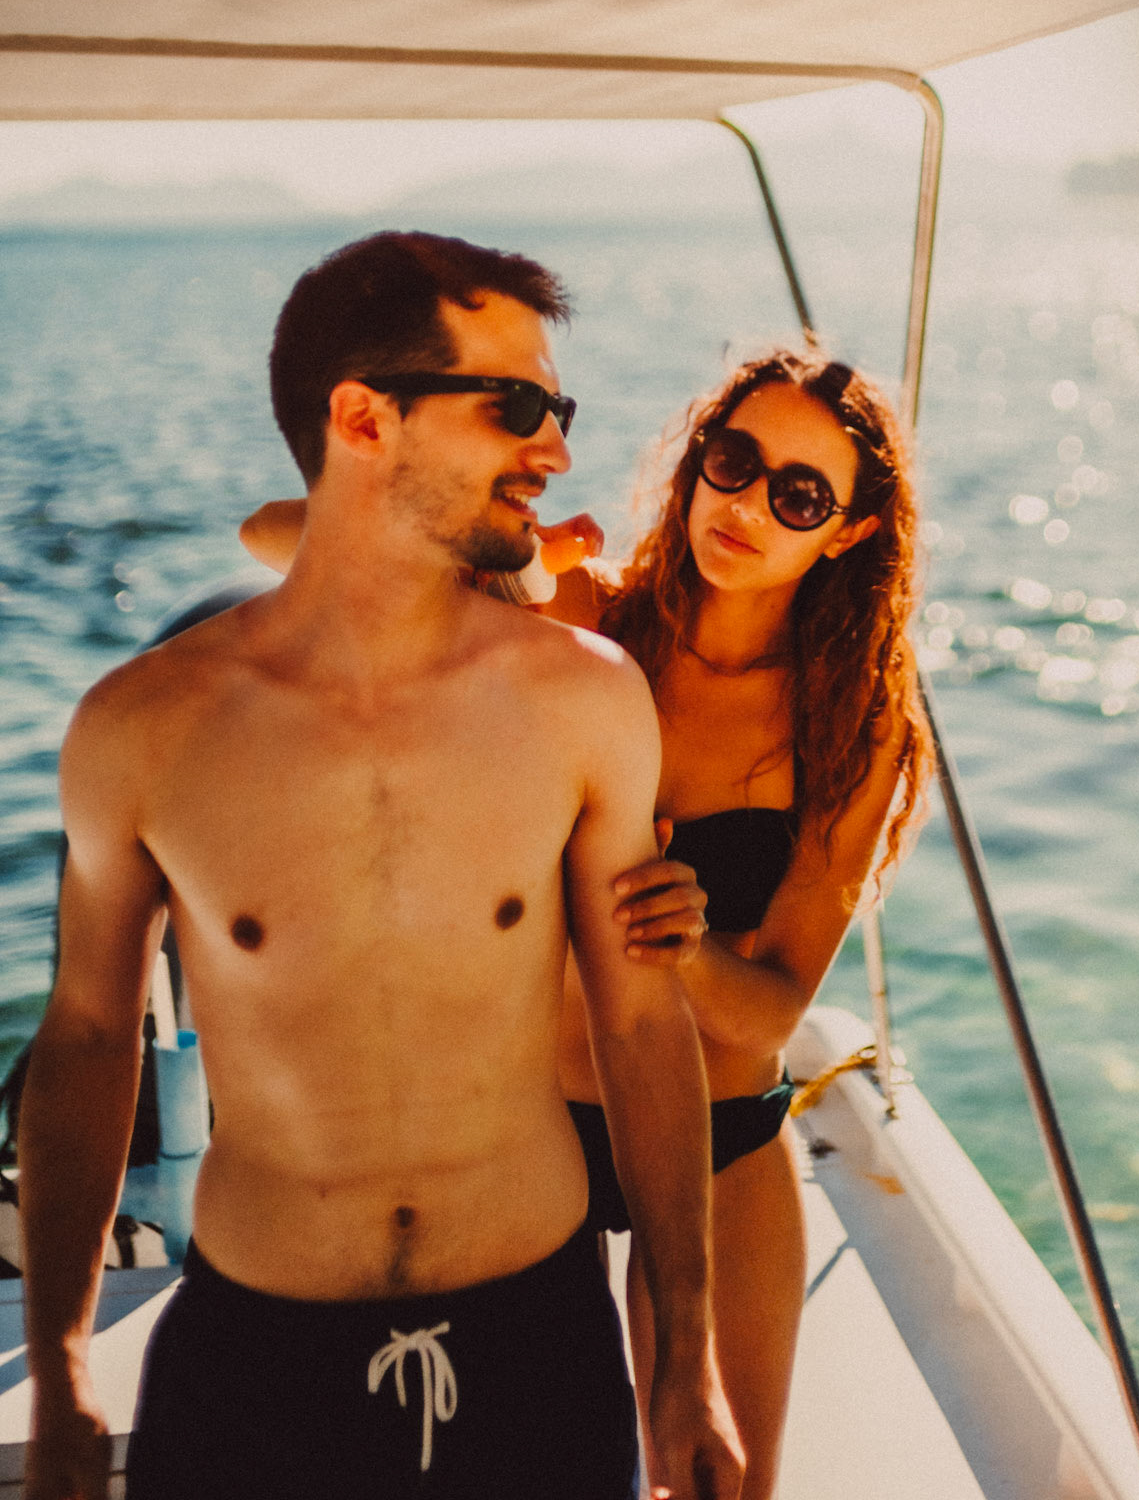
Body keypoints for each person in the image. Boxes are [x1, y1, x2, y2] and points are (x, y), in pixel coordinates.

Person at [20, 232, 741, 1500]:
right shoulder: (145, 727)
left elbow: (639, 1021)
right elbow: (87, 1036)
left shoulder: (585, 701)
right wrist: (64, 1357)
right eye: (517, 407)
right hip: (255, 1362)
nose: (558, 453)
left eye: (556, 410)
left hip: (541, 1349)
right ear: (364, 416)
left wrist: (687, 1353)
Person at [244, 346, 933, 1500]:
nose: (748, 502)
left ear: (849, 532)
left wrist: (687, 940)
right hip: (533, 1145)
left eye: (799, 494)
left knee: (718, 1485)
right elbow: (276, 537)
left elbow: (774, 1006)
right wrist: (484, 535)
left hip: (719, 1140)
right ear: (697, 462)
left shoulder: (853, 712)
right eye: (734, 459)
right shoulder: (581, 612)